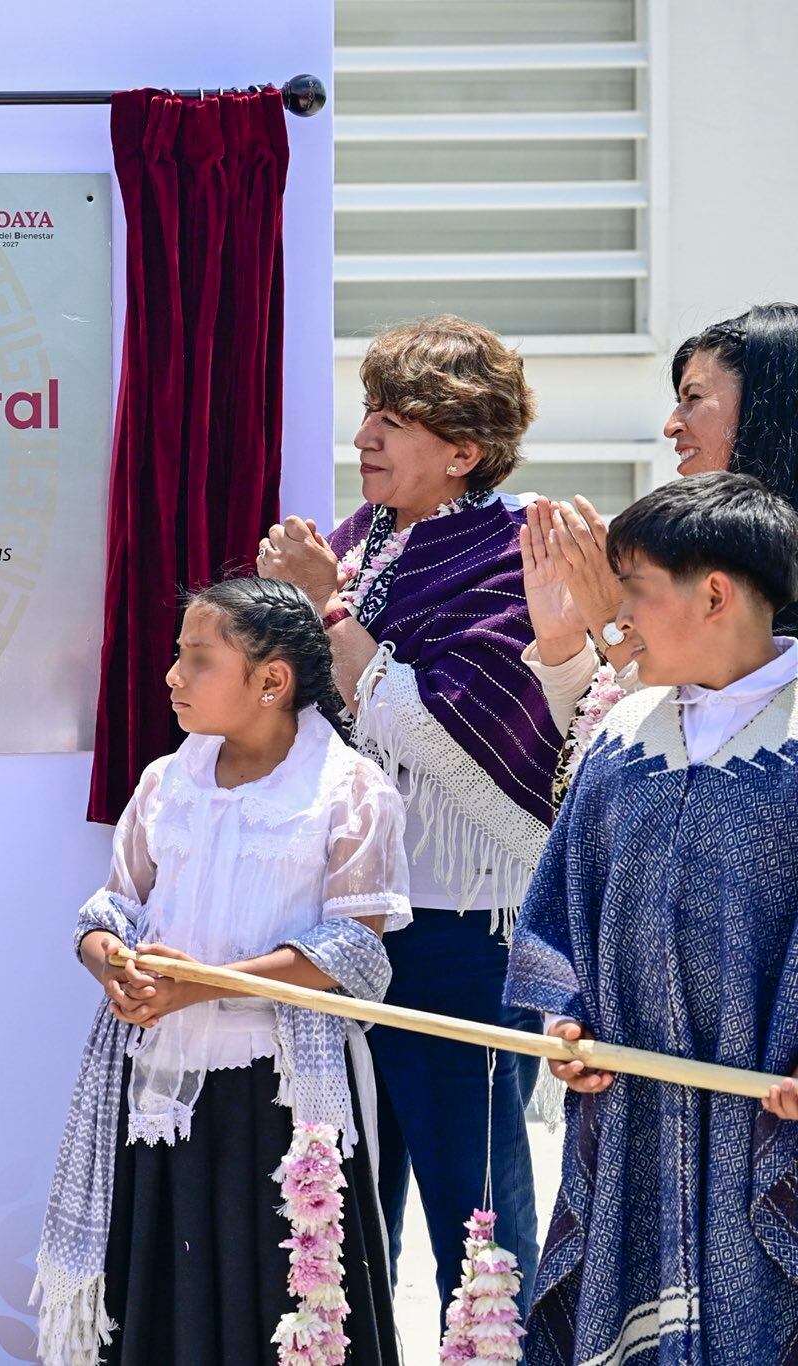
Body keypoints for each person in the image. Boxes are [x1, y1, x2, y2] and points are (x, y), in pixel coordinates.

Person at [258, 315, 560, 1315]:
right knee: (343, 1205)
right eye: (364, 413)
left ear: (462, 450)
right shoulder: (362, 539)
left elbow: (447, 730)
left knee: (475, 1210)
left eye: (391, 419)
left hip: (456, 925)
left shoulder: (512, 550)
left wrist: (326, 610)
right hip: (350, 918)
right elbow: (312, 706)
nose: (363, 438)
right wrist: (283, 606)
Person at [33, 577, 407, 1366]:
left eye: (197, 659)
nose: (172, 676)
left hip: (275, 1094)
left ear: (272, 682)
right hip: (159, 1082)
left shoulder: (349, 791)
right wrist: (115, 967)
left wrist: (199, 984)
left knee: (282, 1299)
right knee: (167, 1297)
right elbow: (111, 908)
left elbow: (352, 950)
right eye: (177, 655)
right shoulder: (168, 782)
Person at [505, 472, 798, 1363]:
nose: (616, 621)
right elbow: (562, 900)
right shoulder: (623, 732)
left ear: (714, 594)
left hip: (770, 1117)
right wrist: (566, 1016)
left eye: (631, 592)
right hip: (631, 1110)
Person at [522, 304, 798, 780]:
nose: (672, 424)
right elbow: (614, 757)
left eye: (692, 397)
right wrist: (562, 641)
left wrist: (612, 619)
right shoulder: (685, 545)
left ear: (765, 405)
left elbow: (713, 758)